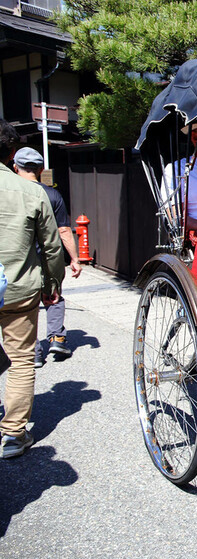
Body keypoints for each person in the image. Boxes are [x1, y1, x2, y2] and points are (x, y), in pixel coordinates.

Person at [0, 119, 65, 459]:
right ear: (11, 153)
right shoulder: (31, 192)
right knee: (22, 359)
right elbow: (52, 246)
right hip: (19, 288)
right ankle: (13, 434)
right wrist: (53, 283)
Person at [13, 147, 82, 366]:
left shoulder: (11, 193)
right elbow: (64, 230)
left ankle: (33, 350)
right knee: (53, 295)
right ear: (41, 169)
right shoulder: (52, 194)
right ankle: (57, 338)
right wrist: (74, 259)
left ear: (15, 167)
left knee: (27, 303)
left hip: (21, 258)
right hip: (48, 256)